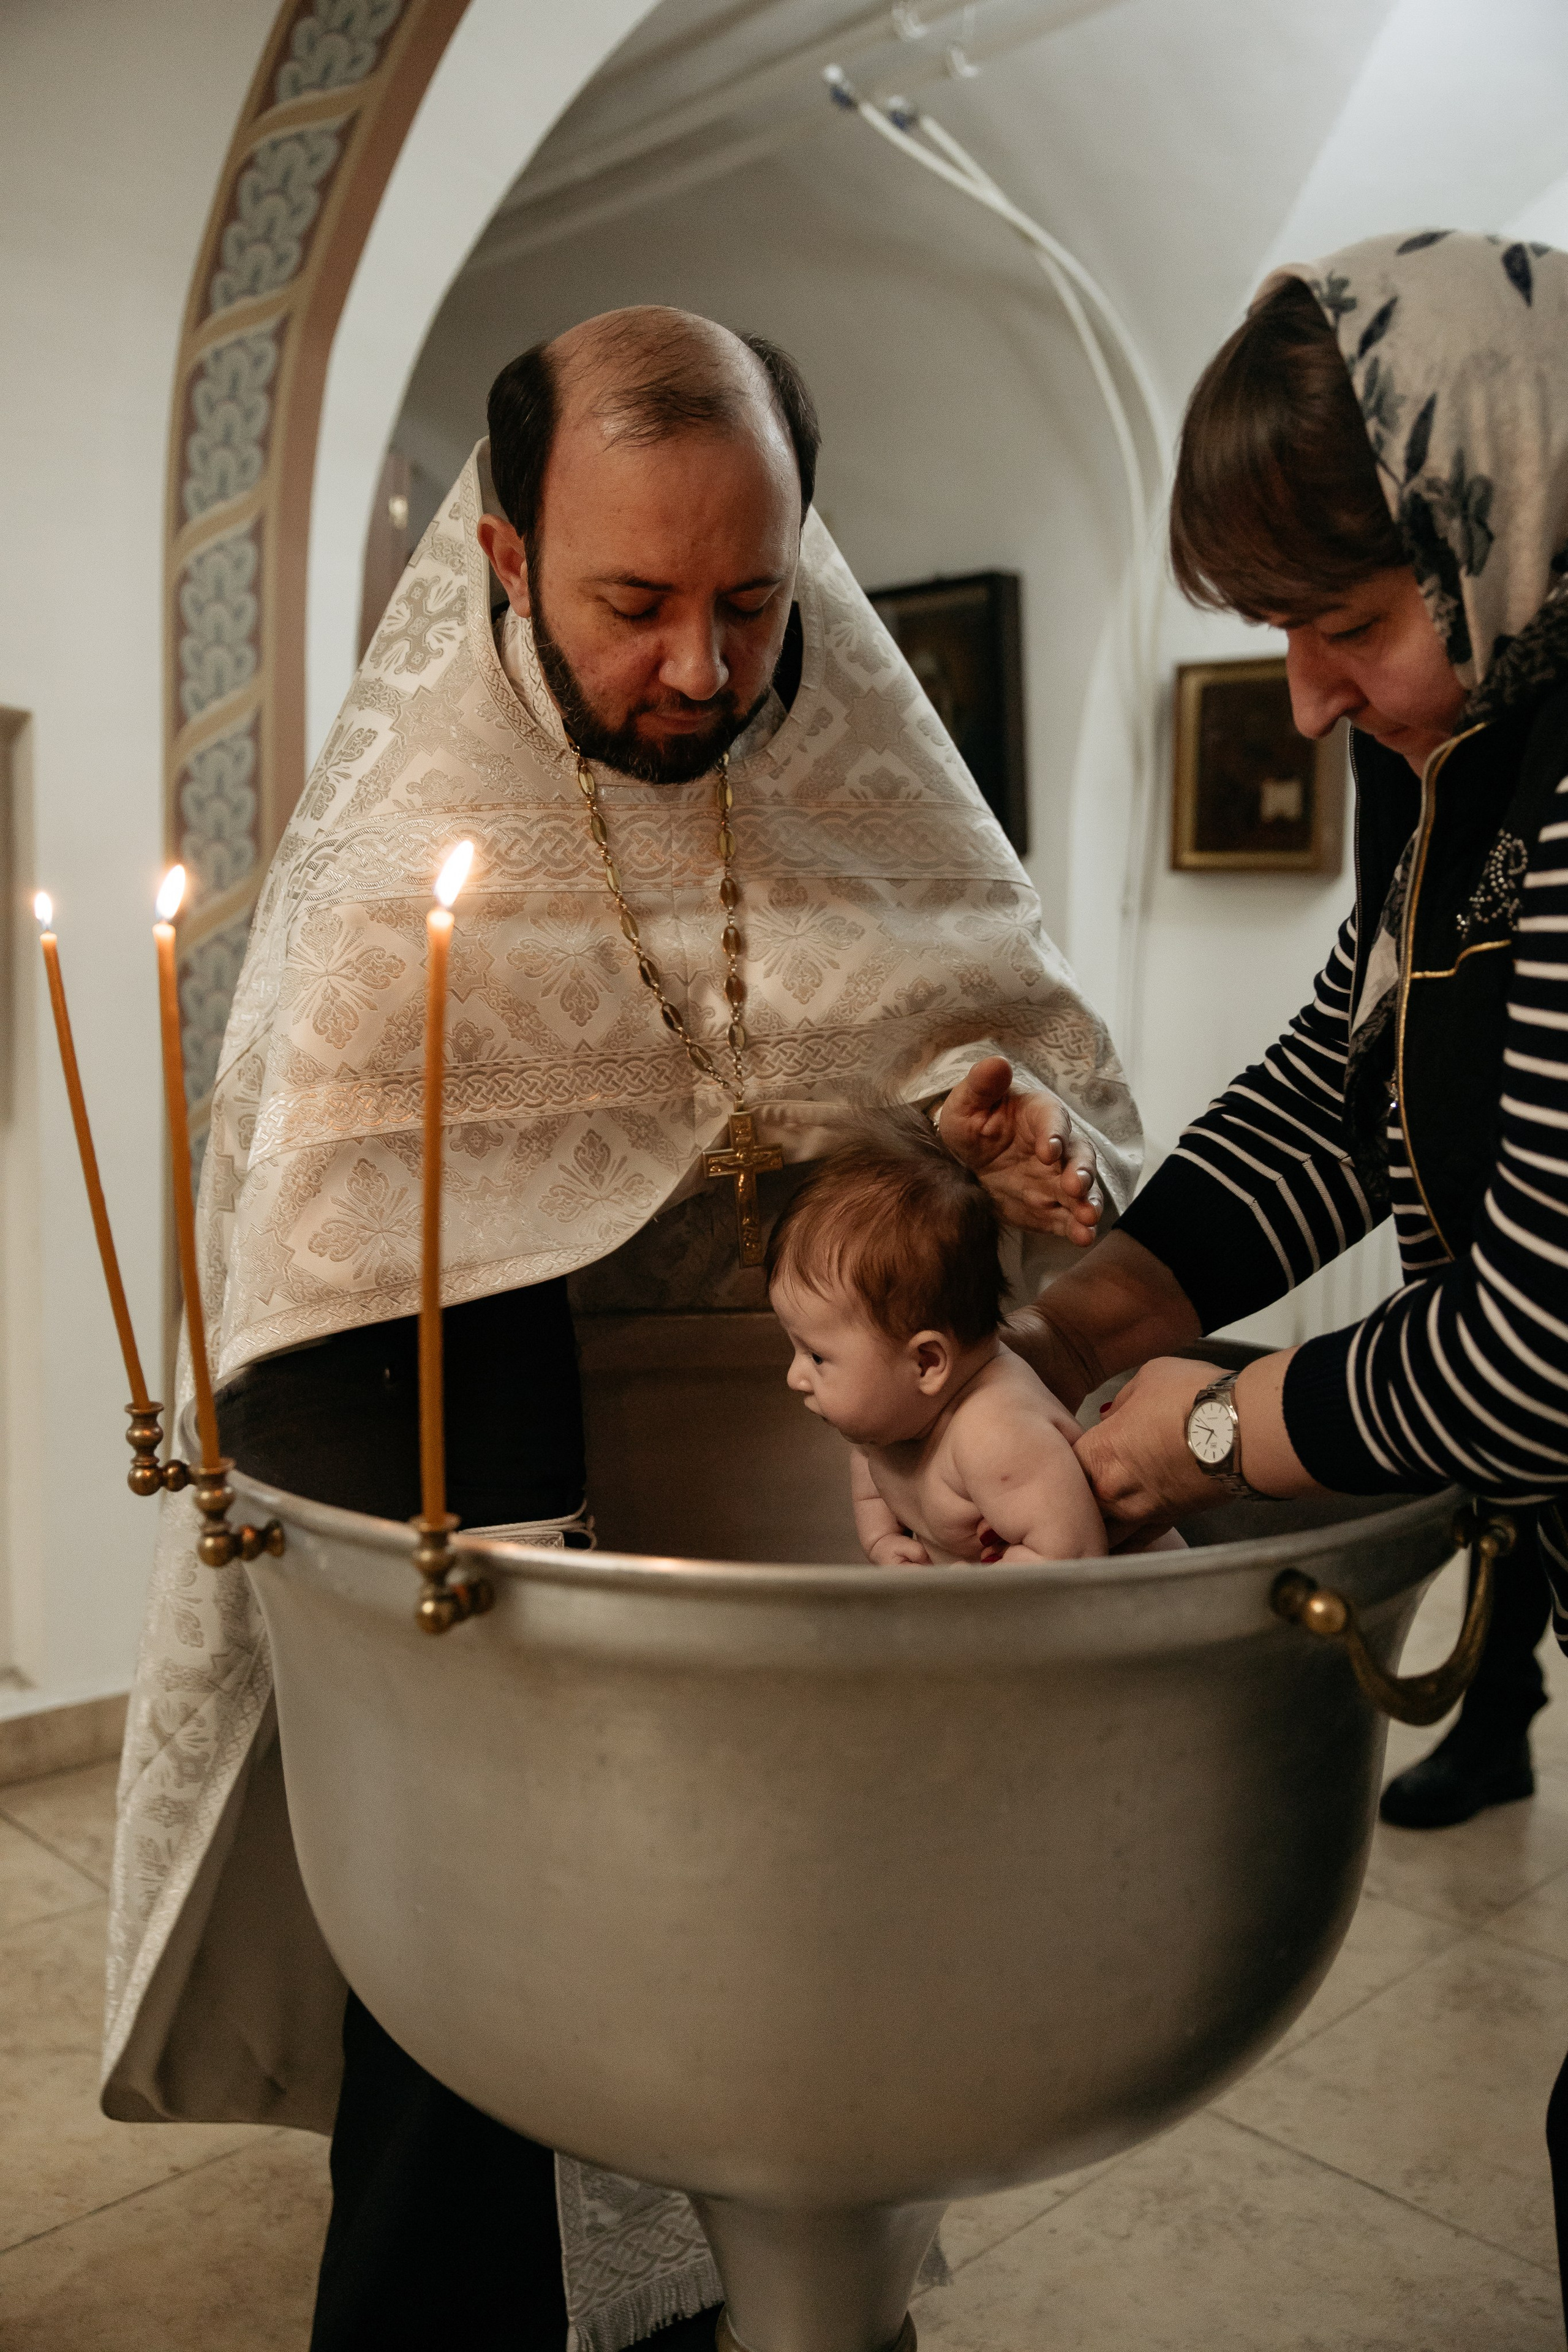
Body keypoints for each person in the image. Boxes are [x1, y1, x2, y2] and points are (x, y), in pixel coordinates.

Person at [102, 307, 1142, 2351]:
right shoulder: (401, 858)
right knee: (475, 2107)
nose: (703, 669)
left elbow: (1039, 1117)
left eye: (754, 601)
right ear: (507, 555)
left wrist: (1016, 1161)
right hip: (496, 1590)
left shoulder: (858, 770)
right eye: (633, 603)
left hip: (812, 1552)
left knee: (810, 2063)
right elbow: (313, 1257)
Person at [998, 230, 1568, 2326]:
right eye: (1278, 636)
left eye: (1349, 623)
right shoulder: (1463, 766)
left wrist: (1220, 1427)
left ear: (1499, 504)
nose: (1313, 696)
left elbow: (1542, 1356)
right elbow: (1330, 1113)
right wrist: (1059, 1334)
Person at [767, 1106, 1107, 1565]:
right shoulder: (886, 1422)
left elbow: (1072, 1562)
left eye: (817, 1357)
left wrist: (960, 1603)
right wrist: (883, 1542)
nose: (795, 1377)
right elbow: (873, 1484)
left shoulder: (996, 1435)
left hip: (1134, 1624)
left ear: (927, 1362)